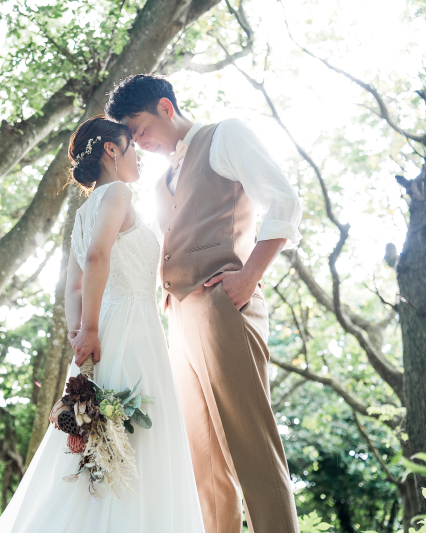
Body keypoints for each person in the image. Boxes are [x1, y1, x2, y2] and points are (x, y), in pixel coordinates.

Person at [105, 74, 303, 533]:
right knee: (203, 459)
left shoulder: (225, 135)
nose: (139, 142)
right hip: (178, 318)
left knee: (250, 445)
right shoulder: (161, 182)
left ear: (166, 107)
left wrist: (249, 276)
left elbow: (285, 202)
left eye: (140, 129)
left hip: (223, 305)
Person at [0, 116, 205, 533]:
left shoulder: (83, 213)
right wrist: (87, 329)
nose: (138, 155)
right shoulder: (120, 192)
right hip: (128, 328)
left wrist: (80, 331)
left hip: (104, 327)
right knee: (134, 437)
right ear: (111, 150)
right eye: (131, 146)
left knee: (103, 439)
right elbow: (95, 257)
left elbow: (72, 284)